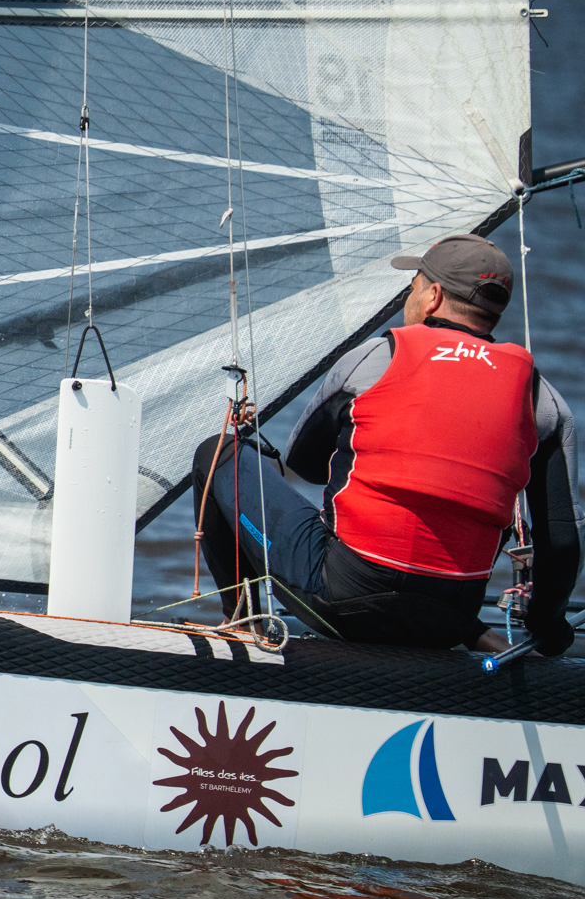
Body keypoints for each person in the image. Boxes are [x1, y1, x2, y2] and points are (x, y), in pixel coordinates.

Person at [193, 233, 578, 655]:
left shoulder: (377, 356)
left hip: (342, 602)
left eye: (412, 286)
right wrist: (548, 629)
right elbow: (561, 541)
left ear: (432, 296)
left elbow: (306, 464)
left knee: (217, 454)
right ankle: (474, 632)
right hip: (448, 622)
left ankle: (240, 621)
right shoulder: (541, 397)